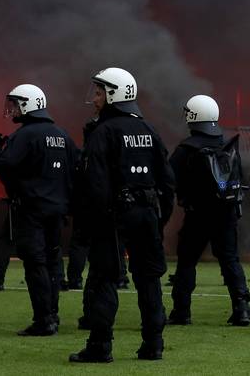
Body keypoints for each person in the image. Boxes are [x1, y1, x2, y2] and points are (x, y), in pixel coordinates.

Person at [70, 68, 174, 363]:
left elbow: (95, 183)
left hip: (113, 217)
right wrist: (159, 219)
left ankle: (100, 347)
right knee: (149, 279)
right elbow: (167, 182)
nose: (95, 98)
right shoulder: (148, 130)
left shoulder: (103, 132)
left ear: (115, 94)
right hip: (147, 215)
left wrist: (92, 223)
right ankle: (153, 345)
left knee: (104, 279)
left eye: (100, 92)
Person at [0, 84, 77, 336]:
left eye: (16, 104)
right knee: (51, 262)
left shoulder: (25, 135)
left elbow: (5, 166)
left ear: (29, 104)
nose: (13, 109)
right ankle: (53, 315)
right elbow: (77, 168)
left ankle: (43, 320)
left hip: (31, 212)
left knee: (35, 264)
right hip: (57, 212)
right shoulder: (62, 134)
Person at [167, 94, 250, 327]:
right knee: (230, 261)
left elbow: (169, 178)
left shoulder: (186, 149)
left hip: (197, 215)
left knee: (186, 262)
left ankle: (181, 312)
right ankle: (242, 309)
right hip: (227, 214)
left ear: (193, 117)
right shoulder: (227, 146)